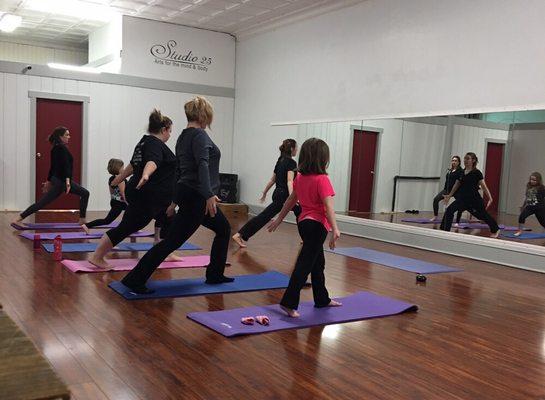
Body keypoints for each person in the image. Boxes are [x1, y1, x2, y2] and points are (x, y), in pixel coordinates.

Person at [120, 96, 233, 294]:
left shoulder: (182, 136)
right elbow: (202, 165)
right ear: (204, 115)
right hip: (198, 196)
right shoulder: (199, 135)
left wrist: (174, 201)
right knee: (172, 241)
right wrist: (208, 195)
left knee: (223, 229)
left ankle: (215, 273)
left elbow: (179, 171)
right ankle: (134, 279)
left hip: (189, 192)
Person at [88, 109, 177, 269]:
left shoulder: (144, 142)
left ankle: (164, 251)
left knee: (168, 217)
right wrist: (146, 174)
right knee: (128, 226)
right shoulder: (155, 144)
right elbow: (153, 161)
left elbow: (132, 165)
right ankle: (97, 256)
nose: (170, 135)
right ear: (163, 130)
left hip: (152, 196)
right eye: (170, 131)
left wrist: (119, 179)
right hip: (146, 194)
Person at [268, 138, 341, 318]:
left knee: (317, 263)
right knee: (304, 264)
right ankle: (288, 303)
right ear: (323, 158)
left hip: (304, 223)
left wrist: (279, 219)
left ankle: (322, 298)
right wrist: (335, 229)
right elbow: (328, 207)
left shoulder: (301, 177)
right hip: (317, 226)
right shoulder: (322, 179)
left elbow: (291, 201)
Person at [232, 139, 301, 248]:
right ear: (292, 149)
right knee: (264, 216)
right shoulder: (291, 162)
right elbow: (289, 181)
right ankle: (239, 234)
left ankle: (305, 238)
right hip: (284, 196)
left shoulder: (280, 160)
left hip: (278, 193)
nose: (297, 150)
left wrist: (265, 192)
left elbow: (272, 180)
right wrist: (293, 197)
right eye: (296, 148)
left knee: (299, 211)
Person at [14, 126, 89, 225]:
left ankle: (82, 219)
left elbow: (53, 167)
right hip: (62, 182)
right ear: (60, 137)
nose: (69, 137)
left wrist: (49, 181)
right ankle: (19, 217)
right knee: (43, 203)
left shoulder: (56, 148)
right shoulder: (61, 148)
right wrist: (67, 182)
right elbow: (65, 167)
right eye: (67, 135)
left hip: (58, 180)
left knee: (84, 193)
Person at [440, 152, 500, 238]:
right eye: (465, 158)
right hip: (463, 199)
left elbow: (484, 186)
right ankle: (445, 232)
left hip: (474, 200)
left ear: (473, 160)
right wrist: (449, 195)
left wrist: (490, 198)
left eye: (468, 158)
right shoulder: (462, 172)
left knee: (482, 215)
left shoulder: (477, 173)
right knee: (449, 210)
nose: (465, 160)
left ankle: (495, 229)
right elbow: (456, 185)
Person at [81, 159, 126, 233]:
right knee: (107, 220)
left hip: (115, 201)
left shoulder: (111, 178)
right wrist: (128, 202)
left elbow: (111, 192)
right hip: (120, 203)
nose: (124, 169)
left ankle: (131, 227)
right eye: (122, 168)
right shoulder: (121, 179)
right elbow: (123, 193)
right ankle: (87, 225)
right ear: (118, 168)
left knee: (132, 213)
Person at [431, 156, 463, 224]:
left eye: (455, 161)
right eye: (453, 160)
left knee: (460, 204)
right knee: (436, 199)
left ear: (459, 162)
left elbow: (458, 183)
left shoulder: (460, 171)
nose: (454, 162)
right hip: (447, 189)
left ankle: (457, 221)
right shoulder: (450, 170)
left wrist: (450, 195)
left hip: (457, 191)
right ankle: (435, 216)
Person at [514, 172, 545, 236]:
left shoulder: (542, 188)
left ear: (538, 180)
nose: (532, 181)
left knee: (543, 222)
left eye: (534, 180)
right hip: (530, 207)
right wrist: (523, 206)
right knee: (522, 217)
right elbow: (527, 197)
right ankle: (520, 231)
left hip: (539, 208)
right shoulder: (529, 186)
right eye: (531, 179)